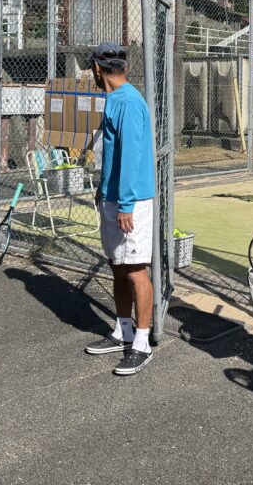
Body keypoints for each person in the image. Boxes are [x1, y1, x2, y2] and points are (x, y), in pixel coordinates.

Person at [82, 43, 157, 376]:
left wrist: (125, 204)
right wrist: (104, 189)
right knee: (118, 266)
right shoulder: (115, 100)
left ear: (98, 69)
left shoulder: (128, 102)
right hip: (115, 197)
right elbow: (112, 155)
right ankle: (123, 331)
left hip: (132, 201)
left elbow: (130, 156)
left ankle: (142, 343)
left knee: (136, 270)